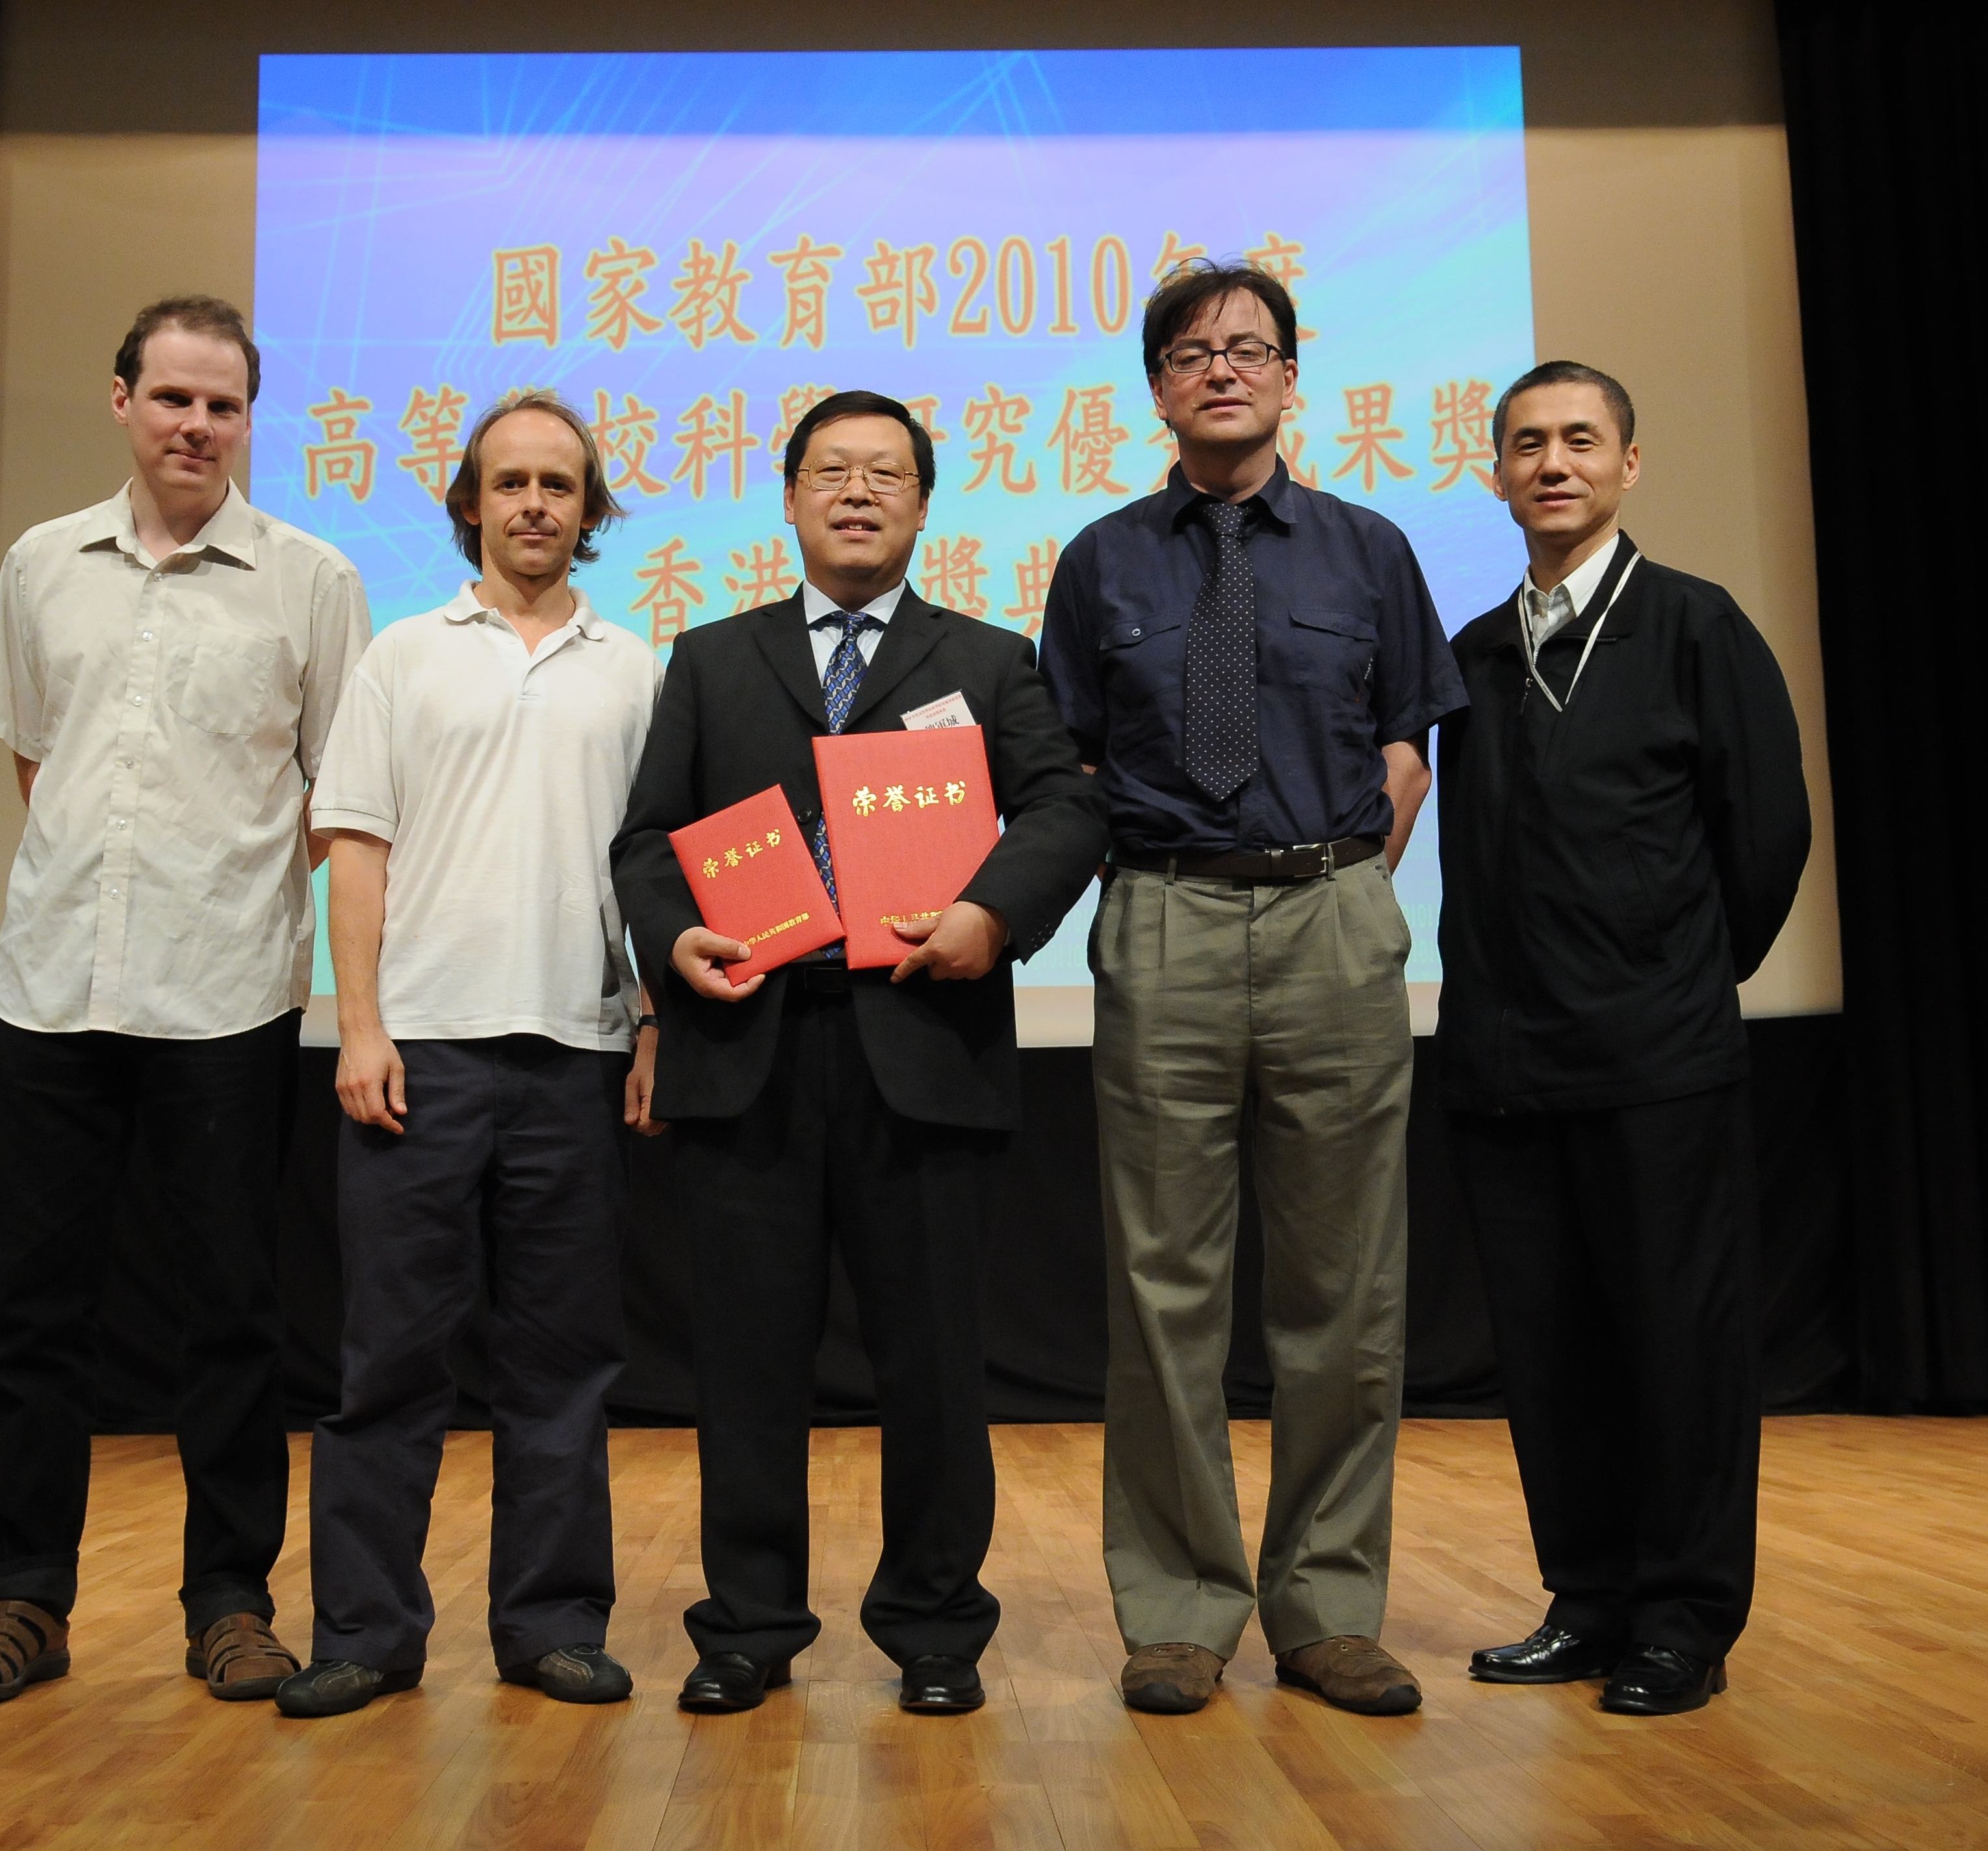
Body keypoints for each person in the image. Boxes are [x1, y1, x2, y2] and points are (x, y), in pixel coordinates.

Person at [610, 389, 1105, 1718]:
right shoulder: (713, 657)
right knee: (746, 1362)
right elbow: (649, 839)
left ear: (923, 505)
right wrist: (675, 942)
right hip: (748, 1047)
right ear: (787, 497)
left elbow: (1066, 805)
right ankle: (749, 1623)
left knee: (935, 1363)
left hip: (924, 1046)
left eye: (886, 472)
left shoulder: (989, 659)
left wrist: (990, 914)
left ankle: (936, 1628)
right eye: (830, 468)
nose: (856, 490)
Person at [0, 296, 368, 1706]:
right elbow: (38, 765)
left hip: (226, 991)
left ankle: (230, 1599)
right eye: (171, 398)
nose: (195, 425)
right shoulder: (41, 562)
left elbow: (339, 793)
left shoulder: (308, 577)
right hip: (55, 987)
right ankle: (21, 1598)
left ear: (249, 419)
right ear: (121, 400)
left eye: (221, 405)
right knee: (25, 1309)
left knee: (231, 1310)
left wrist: (218, 885)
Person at [1039, 260, 1466, 1718]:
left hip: (1332, 917)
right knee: (1163, 1281)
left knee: (1345, 1282)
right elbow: (1075, 763)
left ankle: (1327, 1604)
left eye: (1248, 348)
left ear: (1292, 375)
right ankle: (1176, 1607)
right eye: (1189, 352)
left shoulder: (1366, 547)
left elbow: (1406, 744)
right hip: (1160, 914)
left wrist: (1338, 877)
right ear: (1155, 384)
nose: (1221, 368)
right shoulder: (1100, 560)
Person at [274, 391, 662, 1719]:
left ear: (589, 508)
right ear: (471, 502)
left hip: (575, 1050)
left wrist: (650, 1021)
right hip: (418, 1056)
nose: (535, 504)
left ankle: (550, 1622)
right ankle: (366, 1630)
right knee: (386, 1360)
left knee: (563, 1361)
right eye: (510, 483)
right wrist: (359, 1023)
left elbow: (647, 874)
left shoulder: (634, 665)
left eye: (559, 484)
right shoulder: (402, 656)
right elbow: (357, 850)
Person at [1438, 361, 1810, 1716]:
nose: (1552, 462)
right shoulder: (1472, 652)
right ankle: (1585, 1599)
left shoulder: (1693, 626)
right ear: (1493, 473)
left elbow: (1764, 836)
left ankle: (1682, 1618)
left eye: (1579, 440)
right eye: (1526, 443)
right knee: (1547, 1351)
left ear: (1627, 465)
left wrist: (1676, 980)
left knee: (1675, 1343)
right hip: (1502, 1064)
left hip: (1655, 1059)